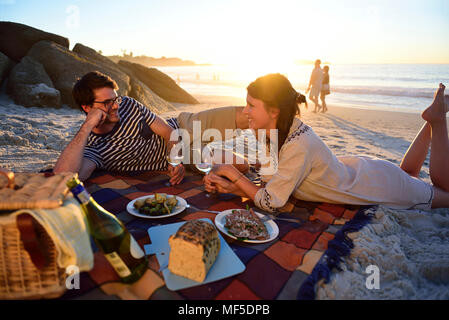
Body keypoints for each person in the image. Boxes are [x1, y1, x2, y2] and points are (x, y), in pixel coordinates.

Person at [203, 73, 449, 211]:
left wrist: (230, 173)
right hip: (368, 172)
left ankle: (437, 122)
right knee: (408, 173)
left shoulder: (298, 144)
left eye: (251, 105)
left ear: (274, 111)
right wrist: (231, 186)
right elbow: (269, 183)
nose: (245, 111)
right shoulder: (271, 133)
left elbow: (271, 201)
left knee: (445, 193)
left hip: (381, 187)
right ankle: (430, 122)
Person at [53, 71, 185, 183]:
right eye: (107, 103)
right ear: (87, 107)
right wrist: (87, 126)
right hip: (190, 152)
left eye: (115, 99)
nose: (116, 106)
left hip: (185, 126)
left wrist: (175, 161)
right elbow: (63, 177)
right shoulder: (93, 147)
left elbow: (170, 133)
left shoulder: (128, 104)